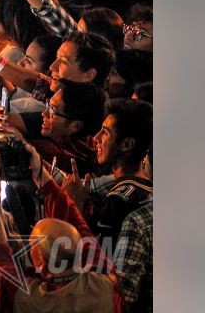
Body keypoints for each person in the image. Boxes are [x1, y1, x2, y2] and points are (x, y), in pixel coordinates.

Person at [0, 141, 118, 312]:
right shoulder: (107, 287)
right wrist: (40, 175)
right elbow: (78, 225)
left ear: (39, 261)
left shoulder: (27, 301)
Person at [64, 99, 153, 245]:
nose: (96, 138)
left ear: (126, 144)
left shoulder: (117, 202)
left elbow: (94, 259)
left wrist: (75, 206)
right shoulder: (146, 188)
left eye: (105, 133)